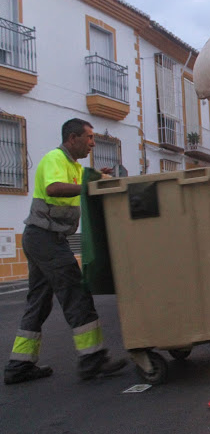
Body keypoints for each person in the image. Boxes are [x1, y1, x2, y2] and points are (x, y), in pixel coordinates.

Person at [4, 118, 127, 385]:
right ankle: (92, 358)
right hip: (44, 238)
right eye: (90, 137)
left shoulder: (74, 167)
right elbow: (53, 188)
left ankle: (19, 365)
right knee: (75, 291)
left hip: (43, 238)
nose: (93, 143)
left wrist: (98, 176)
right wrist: (88, 185)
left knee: (38, 302)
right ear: (73, 138)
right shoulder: (54, 158)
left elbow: (84, 182)